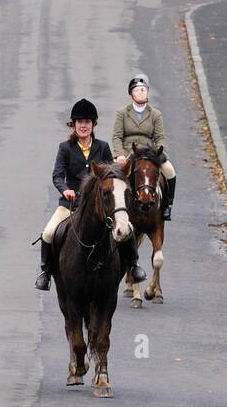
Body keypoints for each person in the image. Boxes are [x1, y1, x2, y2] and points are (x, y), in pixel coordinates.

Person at [35, 99, 146, 290]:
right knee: (48, 233)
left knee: (126, 228)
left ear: (93, 124)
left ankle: (134, 266)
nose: (83, 126)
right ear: (74, 125)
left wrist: (118, 167)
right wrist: (65, 190)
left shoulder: (102, 147)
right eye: (80, 122)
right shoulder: (65, 148)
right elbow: (57, 175)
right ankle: (46, 273)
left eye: (87, 122)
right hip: (71, 204)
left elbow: (111, 172)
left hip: (98, 206)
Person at [112, 75, 176, 221]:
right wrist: (119, 154)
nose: (141, 92)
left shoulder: (155, 114)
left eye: (144, 89)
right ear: (131, 94)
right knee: (111, 176)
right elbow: (116, 136)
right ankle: (112, 210)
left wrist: (157, 151)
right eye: (137, 90)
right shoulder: (122, 113)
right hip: (129, 152)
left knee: (170, 171)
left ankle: (167, 205)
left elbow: (160, 137)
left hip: (149, 153)